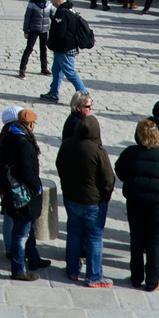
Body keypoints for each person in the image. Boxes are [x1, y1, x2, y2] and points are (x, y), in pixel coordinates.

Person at [114, 118, 159, 292]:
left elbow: (119, 170)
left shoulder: (130, 153)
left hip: (135, 200)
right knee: (154, 240)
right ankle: (152, 280)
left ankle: (136, 276)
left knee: (136, 237)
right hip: (157, 203)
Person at [56, 114, 115, 287]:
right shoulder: (97, 151)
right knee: (94, 237)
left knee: (73, 233)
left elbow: (60, 165)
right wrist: (105, 196)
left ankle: (73, 270)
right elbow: (108, 179)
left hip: (71, 198)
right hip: (93, 202)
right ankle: (94, 276)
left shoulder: (67, 144)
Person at [0, 108, 45, 280]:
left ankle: (34, 259)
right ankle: (18, 269)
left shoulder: (11, 135)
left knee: (26, 228)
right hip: (23, 194)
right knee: (21, 232)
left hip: (17, 191)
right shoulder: (22, 141)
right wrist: (36, 187)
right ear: (29, 124)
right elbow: (26, 170)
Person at [41, 0, 90, 103]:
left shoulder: (62, 13)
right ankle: (53, 93)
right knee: (56, 70)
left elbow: (59, 32)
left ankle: (85, 96)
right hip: (64, 48)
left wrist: (51, 43)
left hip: (64, 48)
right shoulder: (69, 10)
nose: (51, 0)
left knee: (70, 72)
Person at [18, 0, 52, 79]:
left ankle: (44, 68)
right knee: (29, 48)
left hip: (44, 29)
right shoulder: (32, 3)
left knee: (43, 49)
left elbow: (52, 15)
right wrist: (26, 30)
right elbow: (27, 17)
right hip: (34, 29)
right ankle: (22, 68)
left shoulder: (49, 3)